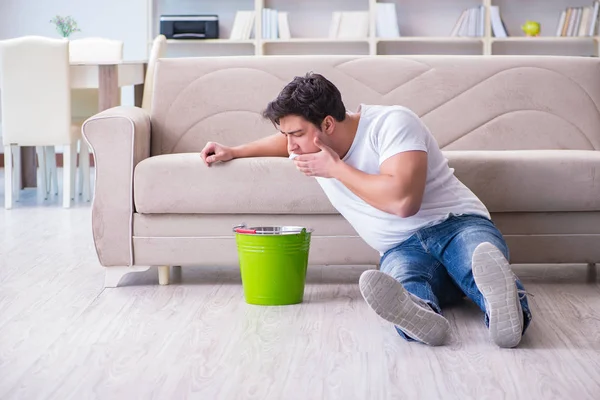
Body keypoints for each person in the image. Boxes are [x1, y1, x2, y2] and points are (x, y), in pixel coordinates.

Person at [200, 72, 532, 348]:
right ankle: (421, 320)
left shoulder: (392, 123)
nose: (290, 146)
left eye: (297, 135)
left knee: (475, 258)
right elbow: (283, 140)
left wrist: (336, 169)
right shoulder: (307, 144)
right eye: (286, 135)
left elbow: (404, 203)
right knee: (405, 283)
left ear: (328, 124)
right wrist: (234, 151)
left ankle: (505, 311)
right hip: (400, 248)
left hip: (454, 224)